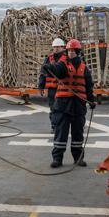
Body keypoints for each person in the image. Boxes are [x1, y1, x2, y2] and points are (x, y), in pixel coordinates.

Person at [42, 39, 95, 168]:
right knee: (61, 133)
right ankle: (57, 159)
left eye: (73, 51)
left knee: (78, 134)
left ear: (78, 52)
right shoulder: (63, 65)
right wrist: (47, 67)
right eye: (69, 51)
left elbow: (88, 87)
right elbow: (55, 69)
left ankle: (78, 158)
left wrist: (91, 100)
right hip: (62, 106)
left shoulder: (84, 69)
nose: (71, 53)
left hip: (78, 106)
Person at [37, 38, 68, 131]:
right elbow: (43, 73)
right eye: (54, 47)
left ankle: (62, 125)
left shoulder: (67, 59)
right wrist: (41, 86)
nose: (56, 49)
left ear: (63, 47)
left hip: (64, 88)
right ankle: (54, 126)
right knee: (53, 108)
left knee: (63, 108)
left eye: (58, 47)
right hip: (52, 89)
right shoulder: (48, 59)